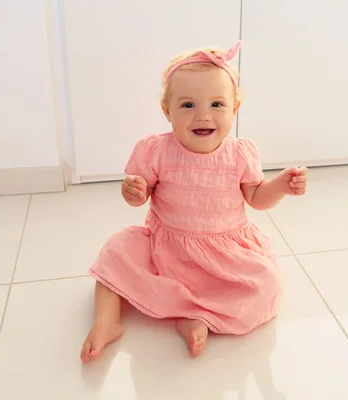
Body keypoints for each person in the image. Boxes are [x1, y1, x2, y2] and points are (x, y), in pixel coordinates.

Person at [80, 41, 308, 363]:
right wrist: (134, 190)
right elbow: (142, 193)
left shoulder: (240, 154)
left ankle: (196, 317)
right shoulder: (156, 150)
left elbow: (257, 197)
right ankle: (107, 321)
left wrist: (280, 186)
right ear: (166, 110)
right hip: (167, 250)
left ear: (235, 109)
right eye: (188, 105)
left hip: (224, 256)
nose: (203, 115)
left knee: (266, 285)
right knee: (117, 249)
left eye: (217, 104)